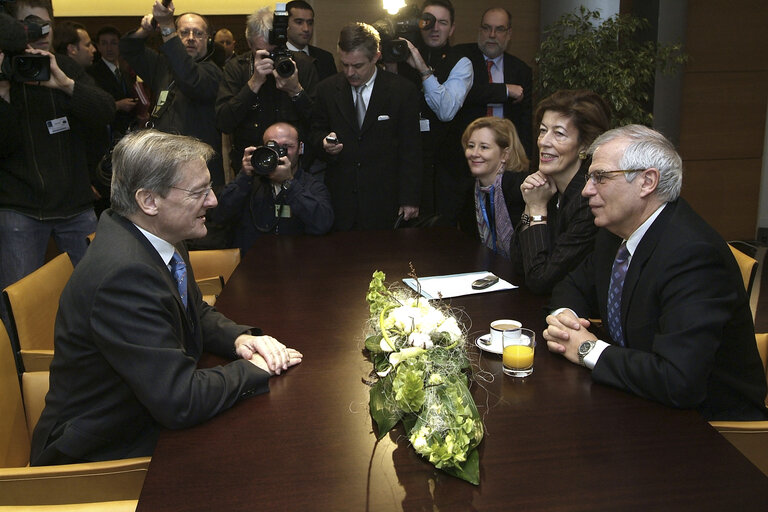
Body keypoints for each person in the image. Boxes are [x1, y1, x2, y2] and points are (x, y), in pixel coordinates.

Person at [30, 129, 303, 465]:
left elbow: (193, 309)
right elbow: (180, 400)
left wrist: (239, 338)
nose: (213, 200)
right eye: (199, 192)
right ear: (149, 201)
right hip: (98, 451)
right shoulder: (124, 275)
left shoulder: (157, 234)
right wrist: (257, 368)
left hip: (141, 416)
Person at [544, 125, 768, 421]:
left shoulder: (692, 255)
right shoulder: (616, 230)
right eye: (589, 178)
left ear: (647, 182)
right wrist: (565, 322)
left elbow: (678, 380)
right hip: (638, 399)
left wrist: (587, 349)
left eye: (600, 177)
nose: (586, 190)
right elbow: (572, 285)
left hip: (710, 428)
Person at [0, 0, 114, 328]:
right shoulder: (6, 72)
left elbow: (105, 111)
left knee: (102, 293)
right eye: (29, 25)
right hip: (19, 209)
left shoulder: (65, 65)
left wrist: (65, 85)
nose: (38, 34)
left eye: (44, 26)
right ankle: (19, 374)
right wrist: (4, 91)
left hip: (75, 206)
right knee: (18, 305)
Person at [312, 22, 422, 230]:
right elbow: (315, 131)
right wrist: (323, 142)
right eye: (344, 64)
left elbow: (411, 149)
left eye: (358, 65)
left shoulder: (402, 91)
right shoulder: (326, 90)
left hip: (385, 199)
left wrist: (410, 198)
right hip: (341, 199)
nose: (350, 72)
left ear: (376, 57)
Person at [511, 89, 610, 295]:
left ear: (584, 144)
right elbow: (519, 260)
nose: (544, 142)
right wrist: (531, 205)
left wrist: (537, 208)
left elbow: (540, 280)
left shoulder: (589, 201)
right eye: (542, 130)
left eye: (559, 134)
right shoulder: (548, 189)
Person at [120, 0, 226, 187]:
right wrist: (145, 30)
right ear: (177, 36)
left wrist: (167, 26)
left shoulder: (213, 72)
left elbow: (189, 79)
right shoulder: (163, 67)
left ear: (208, 39)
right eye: (184, 32)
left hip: (195, 170)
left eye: (198, 33)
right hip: (162, 166)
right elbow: (129, 48)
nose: (191, 37)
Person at [395, 0, 473, 224]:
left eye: (443, 22)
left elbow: (446, 111)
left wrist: (421, 68)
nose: (435, 28)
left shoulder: (462, 62)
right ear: (419, 23)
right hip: (406, 163)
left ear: (452, 29)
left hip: (445, 169)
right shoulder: (398, 56)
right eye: (428, 21)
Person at [215, 6, 317, 175]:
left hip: (297, 169)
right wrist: (253, 84)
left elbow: (318, 122)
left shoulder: (303, 66)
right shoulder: (236, 69)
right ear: (249, 44)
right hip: (251, 169)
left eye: (275, 52)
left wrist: (295, 91)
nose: (271, 58)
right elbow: (224, 122)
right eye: (262, 53)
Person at [211, 122, 333, 252]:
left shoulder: (312, 186)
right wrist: (244, 177)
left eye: (286, 146)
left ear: (300, 148)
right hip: (252, 263)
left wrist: (289, 183)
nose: (279, 153)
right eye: (272, 146)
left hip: (298, 263)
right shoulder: (249, 183)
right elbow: (219, 215)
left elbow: (322, 224)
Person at [455, 7, 533, 158]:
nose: (492, 35)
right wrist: (505, 90)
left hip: (504, 155)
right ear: (479, 30)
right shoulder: (461, 58)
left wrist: (525, 160)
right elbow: (466, 93)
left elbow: (525, 124)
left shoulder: (521, 70)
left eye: (499, 29)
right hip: (463, 155)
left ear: (509, 34)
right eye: (486, 28)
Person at [462, 116, 528, 258]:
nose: (474, 154)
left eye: (484, 147)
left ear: (505, 154)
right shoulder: (471, 191)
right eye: (471, 146)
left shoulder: (519, 188)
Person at [285, 0, 337, 81]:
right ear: (285, 23)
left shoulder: (326, 59)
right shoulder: (274, 57)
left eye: (310, 23)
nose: (306, 29)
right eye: (299, 22)